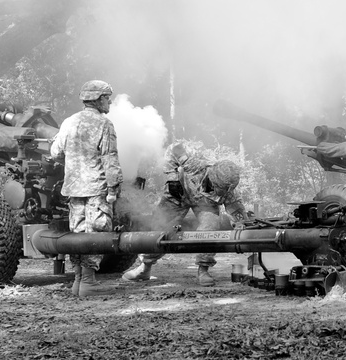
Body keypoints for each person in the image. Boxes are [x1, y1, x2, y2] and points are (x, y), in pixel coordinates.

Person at [123, 143, 250, 286]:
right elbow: (173, 148)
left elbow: (238, 214)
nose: (223, 192)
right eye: (219, 188)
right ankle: (145, 267)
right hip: (178, 194)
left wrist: (241, 225)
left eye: (225, 190)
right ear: (212, 177)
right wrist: (172, 178)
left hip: (205, 205)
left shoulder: (229, 192)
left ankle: (203, 270)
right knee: (160, 225)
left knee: (211, 228)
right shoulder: (195, 164)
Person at [49, 80, 124, 297]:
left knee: (78, 234)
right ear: (98, 99)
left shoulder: (69, 122)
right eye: (107, 98)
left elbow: (55, 153)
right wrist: (113, 189)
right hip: (96, 189)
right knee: (96, 233)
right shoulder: (104, 124)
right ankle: (88, 283)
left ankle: (78, 281)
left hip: (74, 189)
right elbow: (110, 159)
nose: (109, 102)